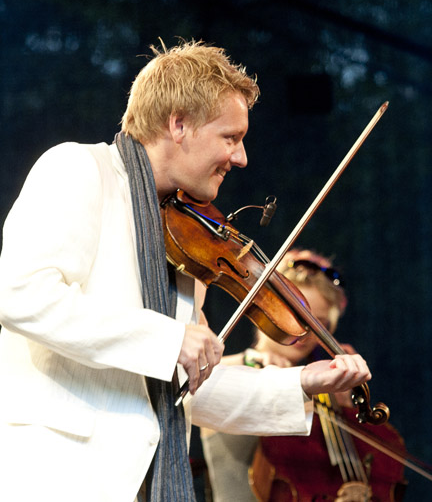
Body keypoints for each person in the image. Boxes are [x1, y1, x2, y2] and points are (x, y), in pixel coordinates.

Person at [0, 40, 372, 502]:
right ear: (179, 124)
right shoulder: (79, 168)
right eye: (231, 138)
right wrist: (168, 338)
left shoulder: (184, 238)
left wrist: (300, 382)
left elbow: (191, 391)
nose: (241, 158)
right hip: (61, 476)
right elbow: (20, 297)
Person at [201, 249, 406, 502]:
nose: (304, 333)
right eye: (294, 317)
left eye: (317, 324)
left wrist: (346, 405)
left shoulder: (324, 385)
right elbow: (195, 384)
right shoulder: (230, 368)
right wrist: (248, 361)